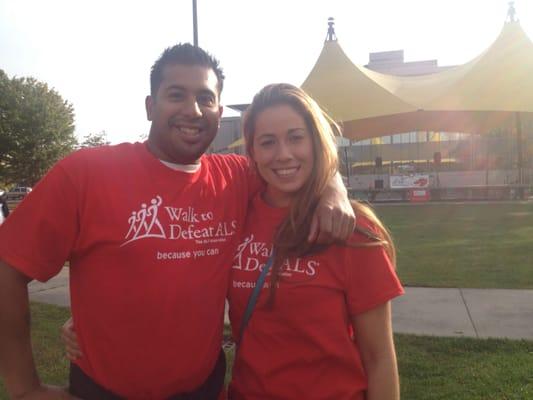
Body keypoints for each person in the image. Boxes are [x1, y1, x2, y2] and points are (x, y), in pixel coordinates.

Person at [0, 45, 354, 400]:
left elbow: (298, 164)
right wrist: (25, 388)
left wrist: (334, 190)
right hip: (105, 391)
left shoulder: (237, 176)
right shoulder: (85, 174)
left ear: (219, 110)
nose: (193, 110)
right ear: (151, 106)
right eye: (176, 95)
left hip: (203, 389)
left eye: (206, 97)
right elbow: (8, 266)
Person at [63, 83, 403, 399]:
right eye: (267, 142)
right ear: (251, 151)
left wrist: (333, 188)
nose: (283, 154)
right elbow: (173, 272)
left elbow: (379, 358)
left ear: (316, 142)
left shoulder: (350, 227)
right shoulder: (237, 209)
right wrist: (94, 319)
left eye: (296, 138)